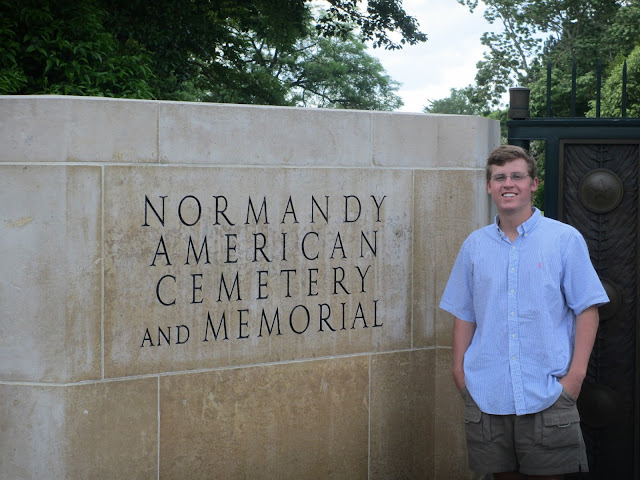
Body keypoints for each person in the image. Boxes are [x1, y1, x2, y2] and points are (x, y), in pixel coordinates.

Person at [439, 145, 609, 479]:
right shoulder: (474, 246)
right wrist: (460, 374)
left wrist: (574, 378)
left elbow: (587, 309)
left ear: (534, 183)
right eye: (499, 177)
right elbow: (464, 313)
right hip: (487, 395)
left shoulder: (564, 240)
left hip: (546, 395)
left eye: (517, 176)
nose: (508, 183)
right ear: (489, 186)